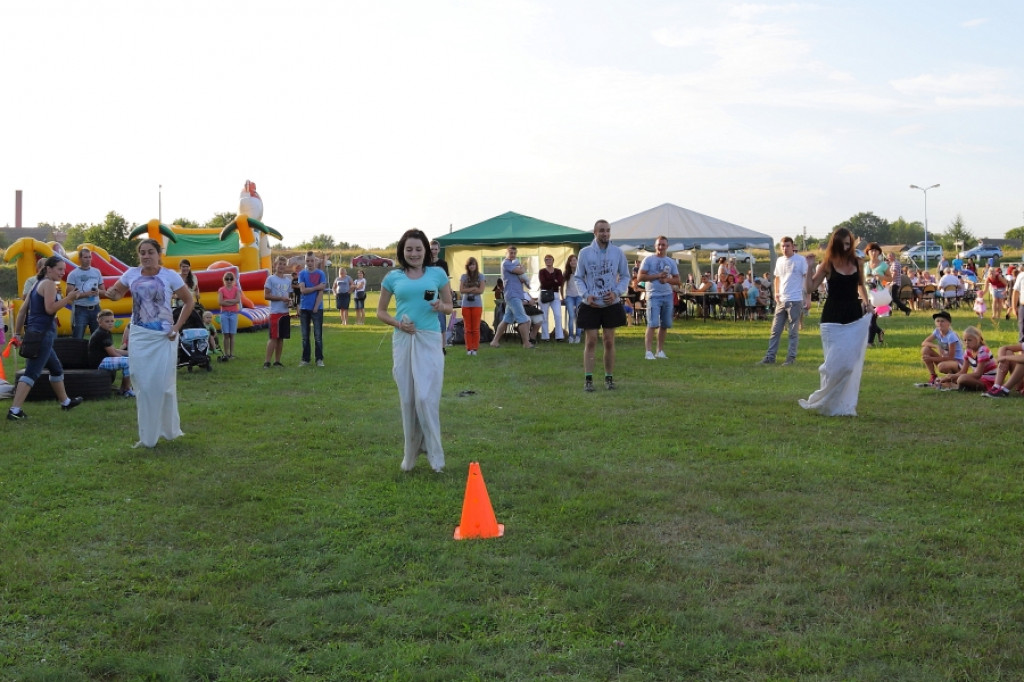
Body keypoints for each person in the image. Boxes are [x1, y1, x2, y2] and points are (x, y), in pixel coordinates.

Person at [102, 239, 194, 447]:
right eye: (142, 252)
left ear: (158, 254)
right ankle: (148, 436)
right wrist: (108, 293)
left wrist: (176, 327)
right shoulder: (131, 274)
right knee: (142, 384)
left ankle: (169, 430)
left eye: (150, 252)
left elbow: (189, 302)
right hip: (140, 335)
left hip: (163, 337)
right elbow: (116, 294)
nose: (146, 256)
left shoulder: (169, 275)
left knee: (163, 386)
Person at [376, 229, 453, 473]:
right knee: (408, 399)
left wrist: (442, 305)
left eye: (418, 249)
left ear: (426, 251)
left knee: (425, 398)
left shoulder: (437, 274)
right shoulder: (393, 277)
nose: (414, 253)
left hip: (429, 340)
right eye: (409, 249)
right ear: (402, 251)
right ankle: (411, 454)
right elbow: (381, 311)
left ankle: (435, 455)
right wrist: (399, 324)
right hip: (403, 340)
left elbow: (450, 306)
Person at [798, 228, 873, 416]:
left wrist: (867, 302)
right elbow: (810, 287)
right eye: (843, 244)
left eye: (849, 244)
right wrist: (808, 267)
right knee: (833, 364)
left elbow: (861, 285)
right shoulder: (828, 264)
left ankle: (843, 403)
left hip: (853, 315)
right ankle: (824, 400)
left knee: (849, 364)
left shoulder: (857, 261)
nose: (847, 247)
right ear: (836, 244)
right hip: (832, 317)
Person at [7, 256, 86, 420]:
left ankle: (65, 402)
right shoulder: (49, 284)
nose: (62, 273)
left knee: (56, 368)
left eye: (64, 270)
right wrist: (69, 299)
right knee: (31, 372)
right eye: (59, 269)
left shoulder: (37, 283)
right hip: (43, 334)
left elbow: (22, 311)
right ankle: (14, 411)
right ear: (49, 269)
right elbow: (50, 309)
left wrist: (16, 333)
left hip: (36, 333)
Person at [574, 219, 630, 392]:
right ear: (595, 233)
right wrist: (586, 295)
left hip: (610, 303)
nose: (605, 233)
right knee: (590, 341)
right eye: (602, 231)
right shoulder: (585, 253)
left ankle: (609, 378)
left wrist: (616, 293)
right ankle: (588, 379)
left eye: (608, 230)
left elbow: (626, 276)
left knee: (609, 341)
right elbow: (578, 277)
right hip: (591, 303)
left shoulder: (617, 253)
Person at [758, 236, 808, 366]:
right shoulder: (780, 260)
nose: (785, 248)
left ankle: (790, 358)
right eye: (783, 246)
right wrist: (776, 293)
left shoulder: (800, 260)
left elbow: (806, 278)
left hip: (795, 300)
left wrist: (807, 298)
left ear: (793, 247)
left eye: (787, 246)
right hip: (781, 300)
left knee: (792, 332)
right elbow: (777, 278)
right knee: (775, 330)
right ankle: (770, 357)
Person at [638, 235, 680, 359]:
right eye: (659, 245)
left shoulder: (671, 262)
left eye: (663, 245)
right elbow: (640, 277)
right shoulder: (648, 260)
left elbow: (678, 280)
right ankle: (648, 351)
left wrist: (666, 280)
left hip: (667, 295)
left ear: (667, 246)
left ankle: (660, 351)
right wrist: (656, 276)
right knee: (652, 323)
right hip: (653, 295)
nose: (661, 247)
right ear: (655, 246)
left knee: (665, 324)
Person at [490, 246, 534, 349]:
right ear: (506, 253)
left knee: (506, 320)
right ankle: (526, 343)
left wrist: (522, 279)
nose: (513, 255)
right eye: (511, 253)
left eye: (514, 253)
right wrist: (522, 269)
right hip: (512, 295)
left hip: (515, 295)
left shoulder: (514, 264)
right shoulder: (506, 263)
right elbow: (520, 271)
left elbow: (519, 275)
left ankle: (494, 341)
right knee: (523, 319)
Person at [936, 326, 996, 392]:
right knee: (957, 378)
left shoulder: (982, 351)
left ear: (978, 339)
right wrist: (949, 377)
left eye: (969, 340)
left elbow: (978, 374)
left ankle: (956, 386)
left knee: (962, 379)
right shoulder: (968, 351)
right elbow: (963, 371)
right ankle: (952, 384)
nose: (967, 342)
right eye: (965, 340)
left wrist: (955, 377)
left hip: (988, 380)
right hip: (979, 378)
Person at [89, 309, 134, 397]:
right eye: (107, 321)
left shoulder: (106, 332)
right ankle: (126, 389)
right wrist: (126, 358)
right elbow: (113, 354)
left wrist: (130, 353)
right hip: (99, 362)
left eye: (112, 321)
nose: (110, 323)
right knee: (129, 362)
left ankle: (123, 389)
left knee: (129, 360)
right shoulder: (102, 334)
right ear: (100, 322)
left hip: (104, 359)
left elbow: (114, 350)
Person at [65, 247, 105, 339]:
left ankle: (96, 353)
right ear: (79, 259)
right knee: (77, 337)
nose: (88, 260)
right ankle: (76, 353)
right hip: (80, 309)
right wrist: (86, 294)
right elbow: (69, 295)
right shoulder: (73, 274)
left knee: (98, 338)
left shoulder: (96, 272)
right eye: (85, 257)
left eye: (89, 257)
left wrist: (97, 292)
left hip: (96, 308)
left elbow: (103, 292)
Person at [916, 310, 963, 387]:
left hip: (957, 363)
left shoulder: (951, 336)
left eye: (942, 321)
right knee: (925, 349)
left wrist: (931, 359)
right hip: (944, 359)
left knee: (941, 366)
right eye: (937, 321)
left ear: (948, 323)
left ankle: (953, 376)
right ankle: (933, 376)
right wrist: (937, 346)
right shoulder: (937, 332)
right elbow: (924, 342)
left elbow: (951, 358)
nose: (940, 323)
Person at [298, 252, 326, 367]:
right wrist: (316, 287)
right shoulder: (302, 274)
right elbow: (303, 290)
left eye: (312, 260)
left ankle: (319, 359)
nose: (310, 263)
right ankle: (305, 359)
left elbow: (321, 291)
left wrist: (315, 307)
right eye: (307, 261)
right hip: (304, 308)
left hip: (317, 309)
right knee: (305, 336)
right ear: (305, 261)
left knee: (318, 336)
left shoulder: (320, 274)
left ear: (315, 261)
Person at [263, 256, 291, 368]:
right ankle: (267, 362)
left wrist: (290, 302)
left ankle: (277, 361)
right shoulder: (270, 279)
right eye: (279, 264)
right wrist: (280, 299)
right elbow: (266, 295)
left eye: (284, 264)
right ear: (275, 265)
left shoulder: (288, 281)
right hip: (275, 313)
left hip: (285, 312)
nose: (281, 266)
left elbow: (289, 295)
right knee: (273, 338)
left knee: (281, 338)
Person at [458, 257, 486, 355]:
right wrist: (473, 288)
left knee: (476, 327)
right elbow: (461, 290)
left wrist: (469, 289)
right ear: (467, 266)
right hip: (466, 304)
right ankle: (469, 348)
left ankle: (475, 348)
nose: (472, 266)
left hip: (477, 305)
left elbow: (481, 290)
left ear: (476, 265)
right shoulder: (464, 277)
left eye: (473, 264)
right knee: (467, 327)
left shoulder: (481, 276)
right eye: (470, 265)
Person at [538, 254, 565, 341]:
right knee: (544, 316)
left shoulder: (558, 271)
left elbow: (560, 282)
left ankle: (559, 336)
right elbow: (543, 283)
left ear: (553, 260)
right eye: (546, 259)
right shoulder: (542, 271)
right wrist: (554, 281)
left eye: (550, 259)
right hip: (545, 294)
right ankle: (545, 337)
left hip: (555, 294)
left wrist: (550, 281)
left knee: (558, 315)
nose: (548, 261)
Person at [217, 271, 242, 360]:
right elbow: (220, 302)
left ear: (233, 280)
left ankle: (231, 354)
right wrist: (232, 301)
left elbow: (238, 300)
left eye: (231, 279)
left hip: (233, 313)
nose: (229, 281)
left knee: (232, 334)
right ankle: (226, 353)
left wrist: (227, 301)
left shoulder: (236, 289)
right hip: (224, 313)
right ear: (224, 280)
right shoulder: (221, 290)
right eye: (227, 279)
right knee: (226, 334)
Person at [430, 240, 450, 344]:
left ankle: (442, 346)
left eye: (435, 249)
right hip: (428, 293)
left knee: (441, 321)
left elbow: (446, 280)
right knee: (428, 317)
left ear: (439, 250)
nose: (433, 251)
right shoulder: (425, 263)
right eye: (432, 249)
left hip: (440, 293)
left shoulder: (443, 263)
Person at [562, 253, 582, 344]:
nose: (573, 262)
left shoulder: (581, 272)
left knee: (578, 315)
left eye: (575, 260)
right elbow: (561, 286)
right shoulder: (566, 273)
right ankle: (570, 336)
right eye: (571, 260)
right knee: (571, 316)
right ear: (569, 263)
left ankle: (578, 336)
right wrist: (563, 297)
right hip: (569, 296)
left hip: (579, 296)